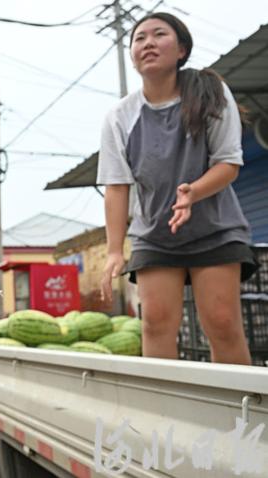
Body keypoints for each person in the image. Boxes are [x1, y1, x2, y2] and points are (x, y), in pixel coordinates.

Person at [98, 12, 258, 364]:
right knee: (155, 325)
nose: (148, 43)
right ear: (132, 54)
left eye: (159, 35)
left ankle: (239, 414)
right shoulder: (119, 116)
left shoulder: (211, 94)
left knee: (222, 323)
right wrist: (113, 250)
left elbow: (228, 163)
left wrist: (193, 193)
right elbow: (117, 186)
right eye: (139, 39)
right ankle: (163, 419)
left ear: (181, 49)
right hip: (155, 234)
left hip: (215, 230)